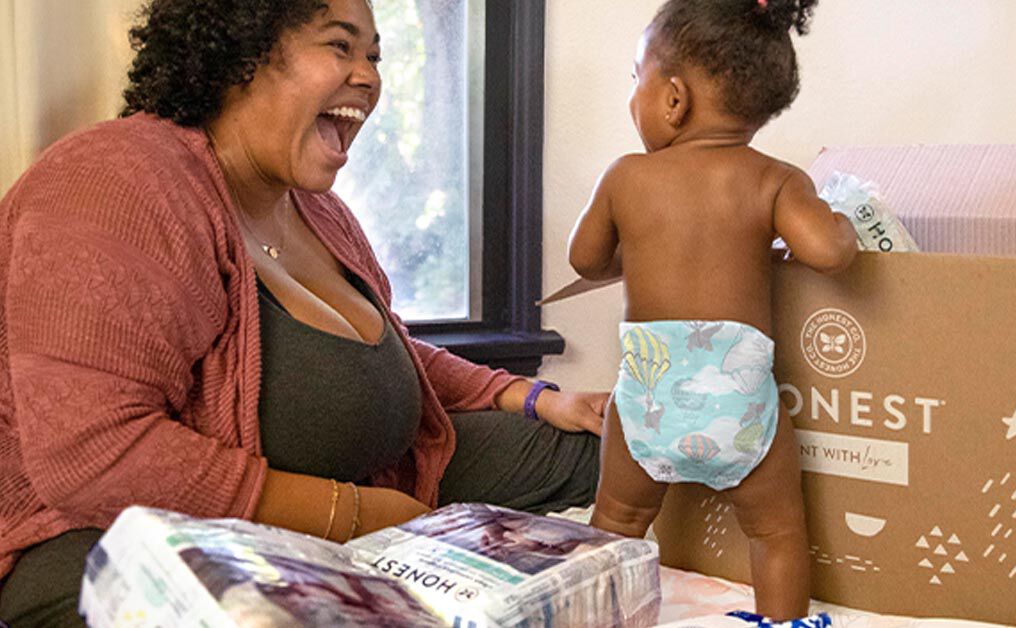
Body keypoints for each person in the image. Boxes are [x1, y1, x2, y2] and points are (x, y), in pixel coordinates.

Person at [0, 0, 604, 624]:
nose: (369, 76)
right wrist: (353, 518)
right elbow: (94, 455)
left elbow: (379, 348)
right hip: (112, 548)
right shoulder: (116, 180)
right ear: (243, 53)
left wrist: (532, 398)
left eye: (374, 55)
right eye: (340, 47)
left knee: (606, 451)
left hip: (364, 492)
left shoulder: (319, 212)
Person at [567, 0, 856, 620]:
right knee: (777, 533)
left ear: (673, 98)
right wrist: (844, 223)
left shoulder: (626, 177)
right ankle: (784, 622)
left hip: (650, 398)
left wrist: (640, 252)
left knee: (616, 520)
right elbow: (828, 251)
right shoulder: (773, 179)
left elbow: (585, 260)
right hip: (739, 401)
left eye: (634, 75)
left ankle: (594, 615)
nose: (631, 95)